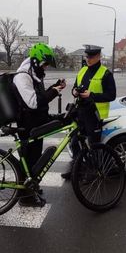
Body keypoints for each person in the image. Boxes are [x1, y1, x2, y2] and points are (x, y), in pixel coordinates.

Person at [13, 42, 66, 207]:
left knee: (35, 158)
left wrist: (54, 86)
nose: (46, 67)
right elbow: (34, 102)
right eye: (45, 63)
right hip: (27, 125)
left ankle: (31, 186)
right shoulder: (22, 76)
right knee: (29, 160)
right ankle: (25, 198)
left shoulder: (34, 75)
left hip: (35, 122)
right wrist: (54, 91)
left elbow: (41, 96)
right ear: (35, 61)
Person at [61, 44, 116, 180]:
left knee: (93, 146)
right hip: (80, 112)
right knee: (74, 142)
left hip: (95, 115)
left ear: (98, 57)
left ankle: (93, 172)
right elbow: (75, 87)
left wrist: (92, 95)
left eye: (91, 57)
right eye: (86, 56)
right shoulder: (82, 70)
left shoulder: (105, 73)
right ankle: (77, 169)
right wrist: (74, 91)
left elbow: (111, 95)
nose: (88, 59)